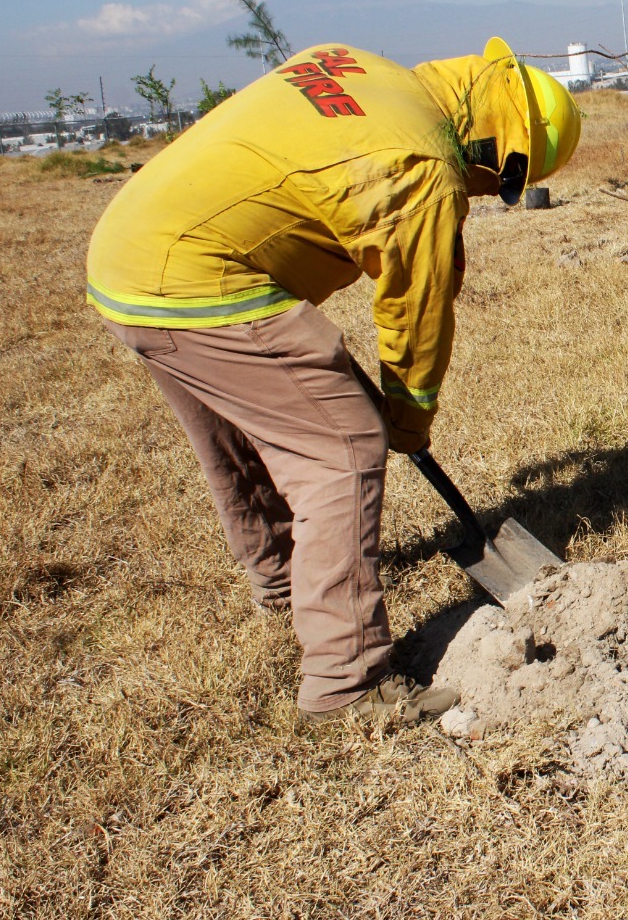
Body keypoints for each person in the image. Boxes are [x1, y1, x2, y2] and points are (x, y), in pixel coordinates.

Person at [87, 37, 581, 725]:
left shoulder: (358, 65)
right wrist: (404, 422)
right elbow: (415, 312)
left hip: (127, 255)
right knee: (342, 447)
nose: (490, 191)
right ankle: (346, 685)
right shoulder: (420, 170)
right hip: (199, 278)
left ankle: (284, 578)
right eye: (503, 182)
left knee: (244, 428)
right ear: (502, 151)